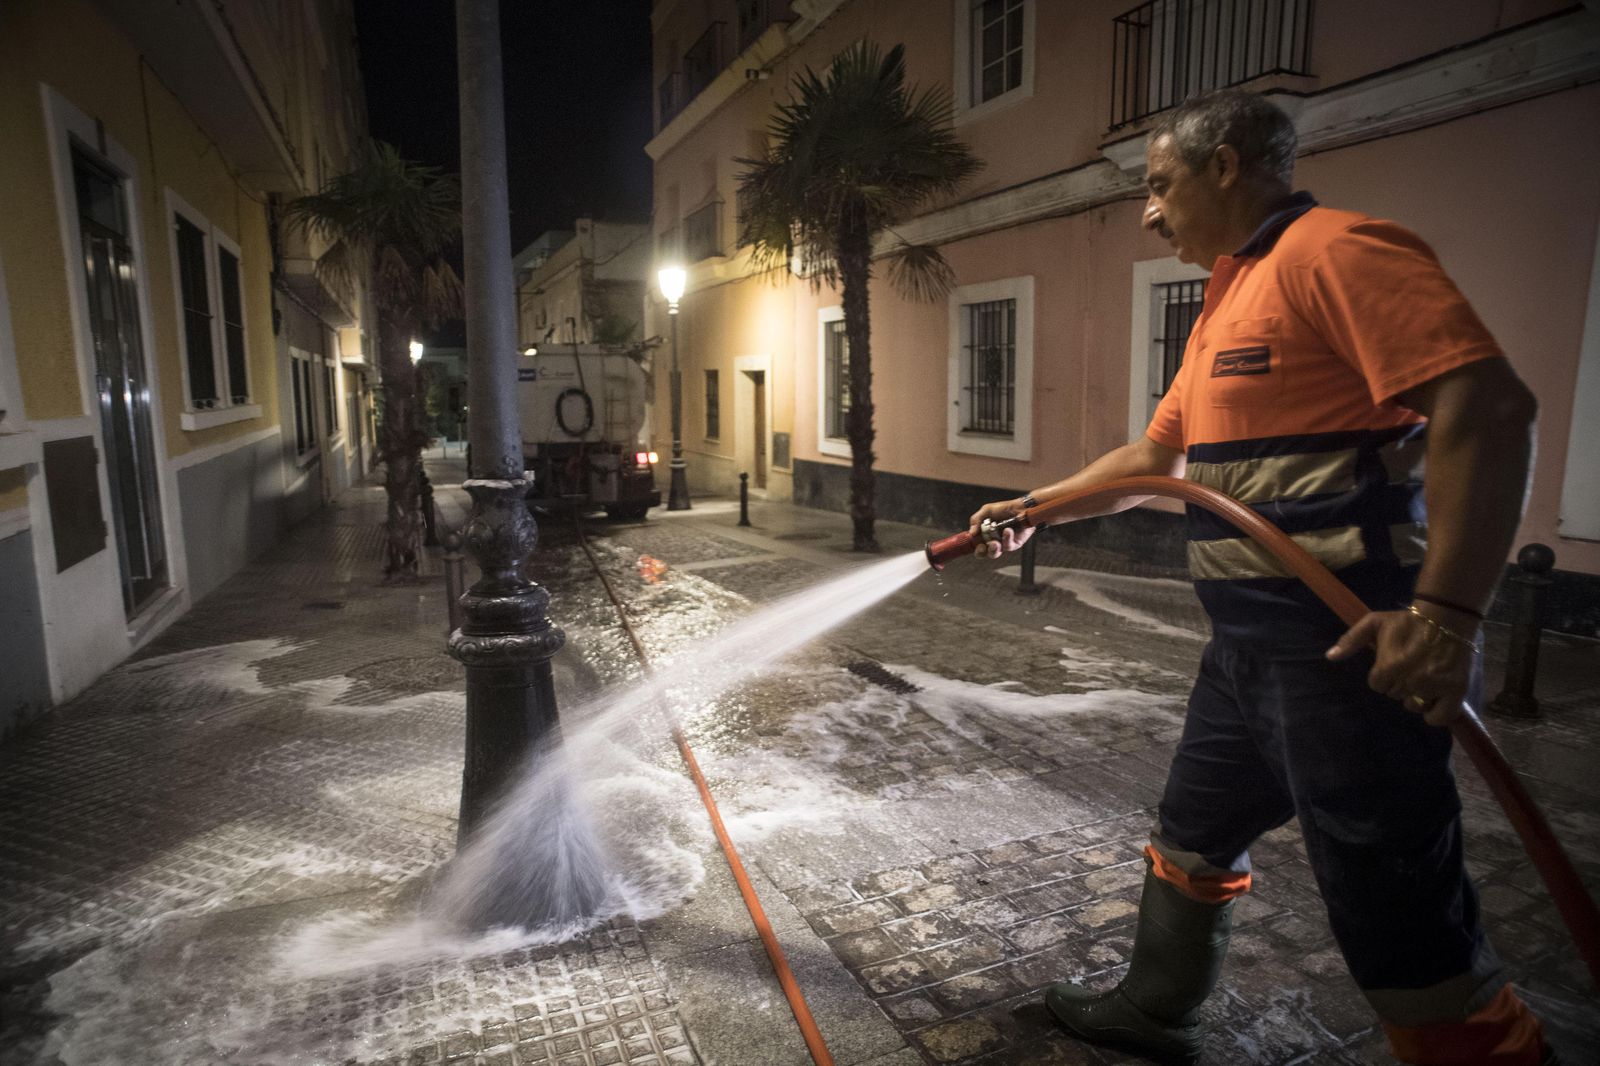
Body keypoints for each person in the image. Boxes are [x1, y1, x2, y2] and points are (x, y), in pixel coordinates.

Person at [969, 89, 1550, 1065]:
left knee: (1391, 902)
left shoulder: (1336, 251)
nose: (1147, 212)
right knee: (1195, 828)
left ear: (1226, 165)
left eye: (1159, 186)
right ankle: (1157, 1008)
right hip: (1245, 651)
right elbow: (1153, 464)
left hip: (1344, 649)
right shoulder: (1223, 305)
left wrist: (1443, 617)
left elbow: (1487, 408)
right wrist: (1035, 509)